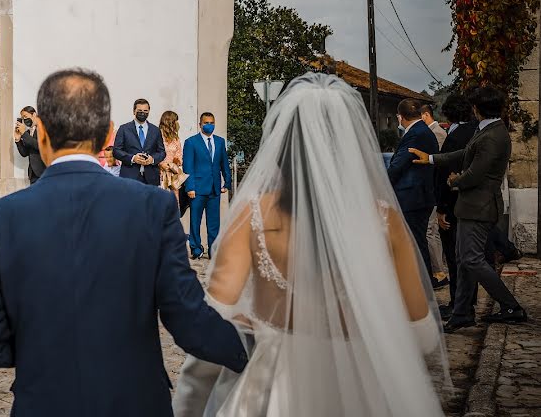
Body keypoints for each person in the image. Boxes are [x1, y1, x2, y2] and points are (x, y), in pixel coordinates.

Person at [0, 69, 248, 416]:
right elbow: (188, 321)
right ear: (103, 138)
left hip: (44, 401)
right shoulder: (153, 207)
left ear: (43, 135)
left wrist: (43, 348)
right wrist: (253, 352)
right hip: (137, 400)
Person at [173, 73, 446, 417]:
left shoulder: (254, 217)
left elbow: (211, 328)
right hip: (362, 389)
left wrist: (190, 401)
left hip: (273, 391)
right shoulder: (385, 222)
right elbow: (423, 337)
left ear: (281, 142)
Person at [411, 85, 528, 332]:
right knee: (464, 260)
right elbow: (464, 153)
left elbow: (476, 172)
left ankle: (511, 306)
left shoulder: (494, 135)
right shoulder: (487, 130)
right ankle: (462, 312)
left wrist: (455, 181)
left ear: (476, 109)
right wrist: (431, 158)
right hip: (471, 206)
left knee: (472, 260)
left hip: (479, 207)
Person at [432, 93, 478, 320]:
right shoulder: (476, 131)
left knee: (454, 255)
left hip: (452, 202)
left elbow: (444, 174)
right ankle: (468, 300)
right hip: (471, 202)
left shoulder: (455, 137)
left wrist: (440, 208)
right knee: (466, 255)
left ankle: (457, 303)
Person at [387, 98, 439, 276]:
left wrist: (380, 183)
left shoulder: (416, 134)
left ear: (400, 117)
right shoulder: (422, 131)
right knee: (416, 242)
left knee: (414, 244)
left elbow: (397, 166)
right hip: (418, 197)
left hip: (412, 198)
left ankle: (422, 285)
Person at [183, 113, 230, 260]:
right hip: (196, 189)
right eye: (206, 122)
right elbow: (188, 166)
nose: (209, 125)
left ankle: (213, 250)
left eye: (211, 122)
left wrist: (227, 182)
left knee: (214, 222)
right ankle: (196, 249)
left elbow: (224, 164)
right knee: (195, 221)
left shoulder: (220, 142)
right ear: (200, 124)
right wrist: (190, 187)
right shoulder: (191, 142)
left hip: (215, 188)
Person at [421, 104, 450, 288]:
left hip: (434, 188)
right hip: (430, 189)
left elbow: (438, 164)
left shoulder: (437, 133)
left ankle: (439, 272)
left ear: (425, 115)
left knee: (431, 231)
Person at [113, 98, 166, 186]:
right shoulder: (124, 129)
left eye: (145, 111)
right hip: (129, 176)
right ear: (134, 111)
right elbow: (116, 151)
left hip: (151, 177)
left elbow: (162, 152)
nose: (143, 113)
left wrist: (152, 159)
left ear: (149, 111)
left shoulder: (155, 130)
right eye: (140, 111)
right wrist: (133, 158)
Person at [158, 111, 185, 204]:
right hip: (159, 174)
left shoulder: (176, 138)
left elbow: (179, 155)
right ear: (169, 122)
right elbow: (151, 152)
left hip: (172, 175)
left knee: (173, 202)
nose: (177, 124)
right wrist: (160, 164)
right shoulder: (157, 135)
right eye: (175, 121)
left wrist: (176, 162)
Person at [15, 105, 45, 184]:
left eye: (25, 116)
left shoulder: (43, 128)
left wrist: (24, 134)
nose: (24, 120)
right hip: (32, 174)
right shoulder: (28, 132)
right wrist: (18, 140)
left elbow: (40, 146)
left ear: (34, 114)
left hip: (43, 172)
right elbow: (25, 153)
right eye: (22, 118)